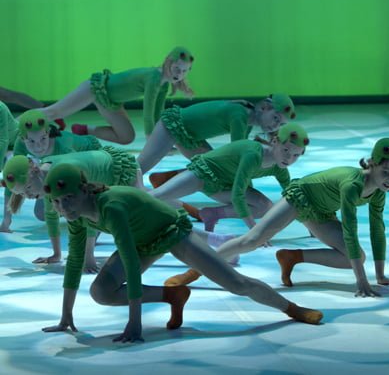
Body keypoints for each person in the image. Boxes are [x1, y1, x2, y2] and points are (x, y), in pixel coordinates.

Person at [41, 164, 323, 344]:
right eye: (56, 202)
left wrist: (134, 324)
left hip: (171, 231)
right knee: (101, 292)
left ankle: (291, 308)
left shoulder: (111, 207)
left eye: (69, 198)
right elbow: (74, 261)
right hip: (142, 241)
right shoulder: (77, 215)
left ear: (85, 189)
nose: (64, 208)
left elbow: (130, 261)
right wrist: (66, 316)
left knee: (236, 283)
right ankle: (173, 295)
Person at [166, 138, 389, 297]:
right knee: (252, 240)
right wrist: (361, 281)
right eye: (386, 172)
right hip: (300, 197)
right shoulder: (352, 185)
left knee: (356, 257)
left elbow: (377, 230)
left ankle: (292, 257)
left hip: (321, 211)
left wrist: (380, 276)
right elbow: (350, 230)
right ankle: (195, 271)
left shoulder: (379, 191)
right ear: (372, 163)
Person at [149, 123, 308, 231]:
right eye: (286, 150)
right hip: (203, 174)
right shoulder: (253, 155)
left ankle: (212, 214)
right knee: (156, 196)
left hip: (224, 186)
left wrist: (311, 227)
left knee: (264, 207)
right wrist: (254, 232)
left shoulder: (280, 168)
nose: (289, 159)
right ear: (275, 141)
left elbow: (293, 200)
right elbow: (238, 195)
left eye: (296, 155)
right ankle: (134, 195)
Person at [2, 146, 142, 270]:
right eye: (22, 194)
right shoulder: (47, 177)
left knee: (141, 210)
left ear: (36, 171)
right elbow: (51, 216)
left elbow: (90, 211)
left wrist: (89, 258)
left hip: (121, 168)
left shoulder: (64, 175)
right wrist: (56, 254)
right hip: (105, 174)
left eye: (28, 188)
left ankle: (159, 191)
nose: (28, 196)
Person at [41, 47, 194, 144]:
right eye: (176, 68)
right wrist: (152, 140)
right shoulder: (154, 78)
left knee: (127, 137)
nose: (179, 74)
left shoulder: (164, 84)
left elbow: (157, 113)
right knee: (53, 112)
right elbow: (148, 113)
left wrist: (161, 137)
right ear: (168, 62)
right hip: (96, 88)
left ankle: (83, 130)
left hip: (110, 102)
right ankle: (25, 126)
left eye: (184, 71)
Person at [137, 94, 296, 178]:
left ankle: (166, 179)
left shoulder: (247, 120)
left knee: (212, 169)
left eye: (281, 124)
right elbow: (238, 154)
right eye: (276, 118)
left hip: (191, 137)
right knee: (139, 169)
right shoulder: (239, 115)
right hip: (174, 124)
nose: (276, 126)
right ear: (264, 107)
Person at [0, 110, 102, 233]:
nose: (38, 147)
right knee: (41, 213)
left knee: (76, 195)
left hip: (91, 156)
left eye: (43, 139)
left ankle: (86, 130)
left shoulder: (63, 146)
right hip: (53, 168)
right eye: (31, 141)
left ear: (48, 133)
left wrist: (90, 219)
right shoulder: (20, 144)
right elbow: (15, 178)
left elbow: (83, 174)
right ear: (23, 138)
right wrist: (6, 220)